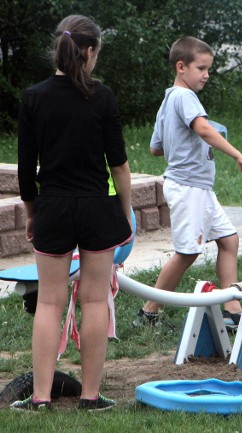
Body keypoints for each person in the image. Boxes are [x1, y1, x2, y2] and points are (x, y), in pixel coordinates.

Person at [13, 15, 132, 412]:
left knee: (49, 302)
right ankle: (91, 397)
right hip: (97, 209)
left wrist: (32, 213)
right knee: (95, 301)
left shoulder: (34, 96)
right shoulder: (103, 97)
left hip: (53, 208)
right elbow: (119, 165)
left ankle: (41, 397)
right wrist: (126, 212)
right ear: (91, 50)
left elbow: (26, 170)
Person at [133, 36, 242, 330]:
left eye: (208, 68)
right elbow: (201, 128)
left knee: (229, 240)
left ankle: (231, 309)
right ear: (181, 66)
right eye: (201, 68)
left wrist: (184, 140)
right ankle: (148, 313)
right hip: (188, 188)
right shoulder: (185, 98)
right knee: (188, 253)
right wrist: (237, 155)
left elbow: (155, 148)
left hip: (198, 188)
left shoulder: (168, 100)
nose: (207, 75)